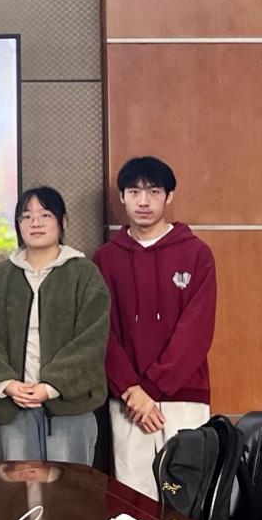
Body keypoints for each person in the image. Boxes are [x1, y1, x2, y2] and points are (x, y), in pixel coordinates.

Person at [93, 156, 217, 499]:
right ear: (122, 197)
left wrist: (150, 389)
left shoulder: (197, 254)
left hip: (183, 397)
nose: (143, 201)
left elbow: (196, 331)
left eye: (153, 192)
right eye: (134, 192)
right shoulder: (105, 259)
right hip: (128, 402)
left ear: (169, 196)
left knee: (185, 499)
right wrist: (132, 390)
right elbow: (102, 333)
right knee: (134, 500)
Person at [0, 186, 110, 465]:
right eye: (26, 216)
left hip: (70, 406)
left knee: (69, 488)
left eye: (45, 215)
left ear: (63, 221)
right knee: (18, 488)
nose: (35, 222)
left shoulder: (84, 274)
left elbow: (92, 340)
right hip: (12, 406)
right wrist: (7, 383)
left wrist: (52, 385)